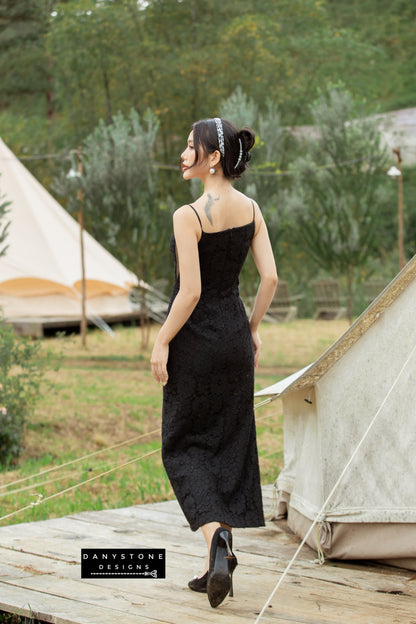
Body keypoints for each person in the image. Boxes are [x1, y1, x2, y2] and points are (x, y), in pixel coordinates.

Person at [151, 117, 278, 608]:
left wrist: (162, 341)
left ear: (213, 159)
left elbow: (191, 291)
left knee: (182, 445)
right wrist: (251, 331)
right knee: (227, 442)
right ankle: (215, 561)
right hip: (234, 339)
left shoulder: (190, 215)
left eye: (190, 147)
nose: (183, 154)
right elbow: (269, 279)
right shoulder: (251, 209)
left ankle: (216, 542)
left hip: (195, 340)